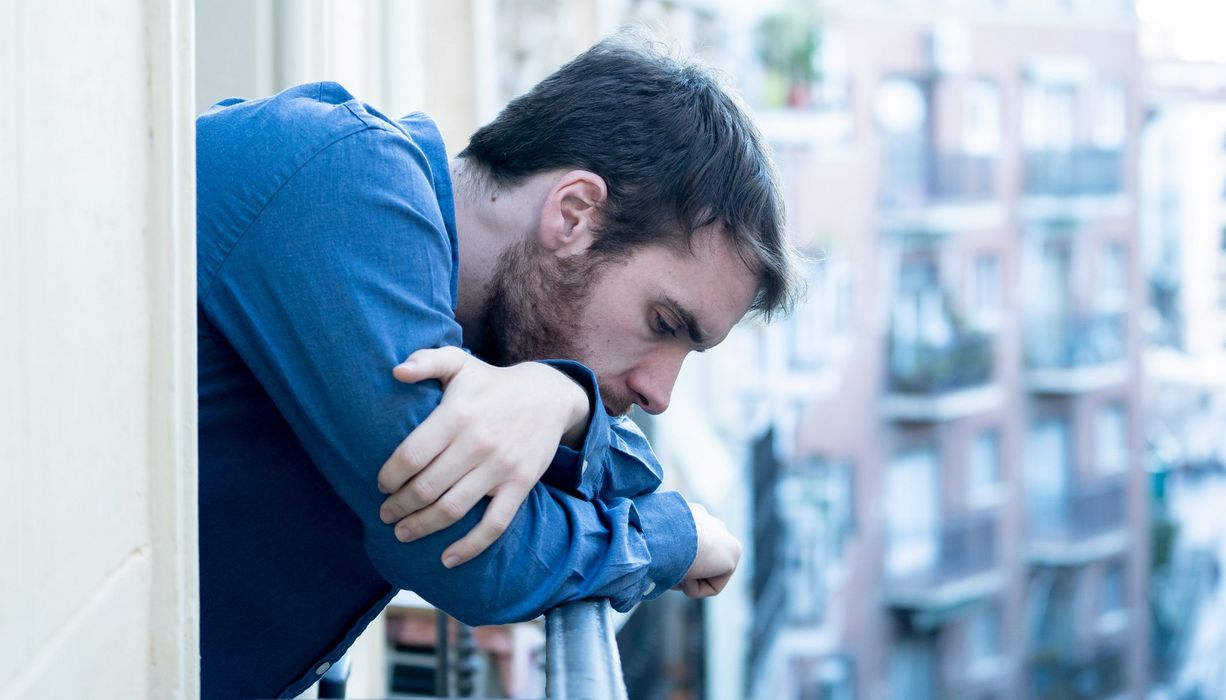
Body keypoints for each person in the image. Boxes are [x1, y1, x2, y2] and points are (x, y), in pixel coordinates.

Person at [196, 35, 800, 698]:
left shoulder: (481, 341)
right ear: (573, 214)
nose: (659, 394)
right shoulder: (345, 185)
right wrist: (673, 537)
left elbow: (628, 474)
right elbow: (472, 554)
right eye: (663, 324)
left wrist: (566, 399)